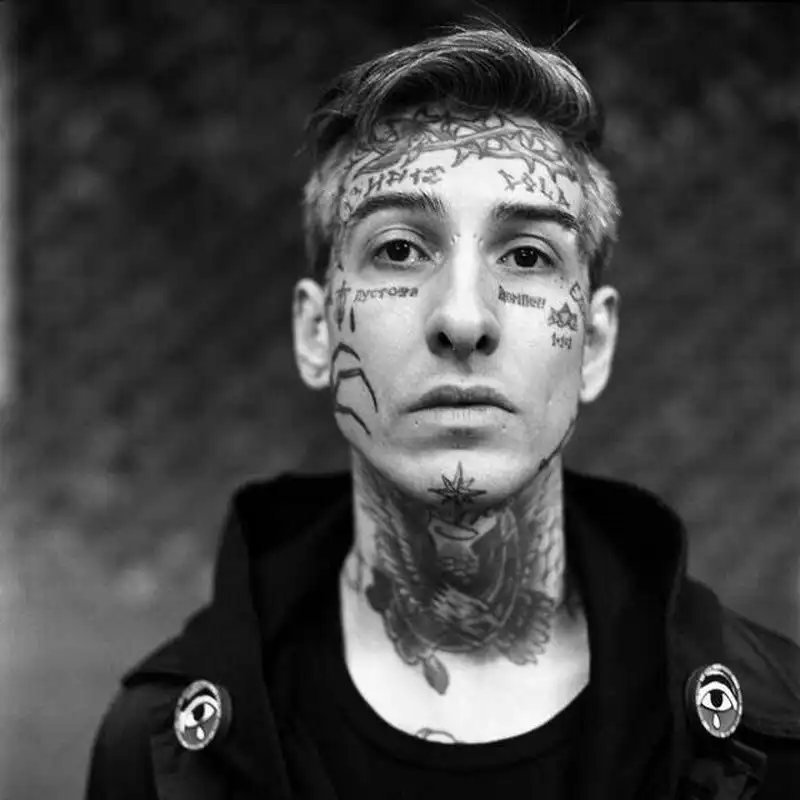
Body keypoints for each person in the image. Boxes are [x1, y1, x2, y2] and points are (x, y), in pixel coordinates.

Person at [86, 23, 800, 800]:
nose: (463, 317)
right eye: (398, 248)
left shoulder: (777, 741)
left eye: (527, 255)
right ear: (316, 331)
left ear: (593, 343)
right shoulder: (162, 755)